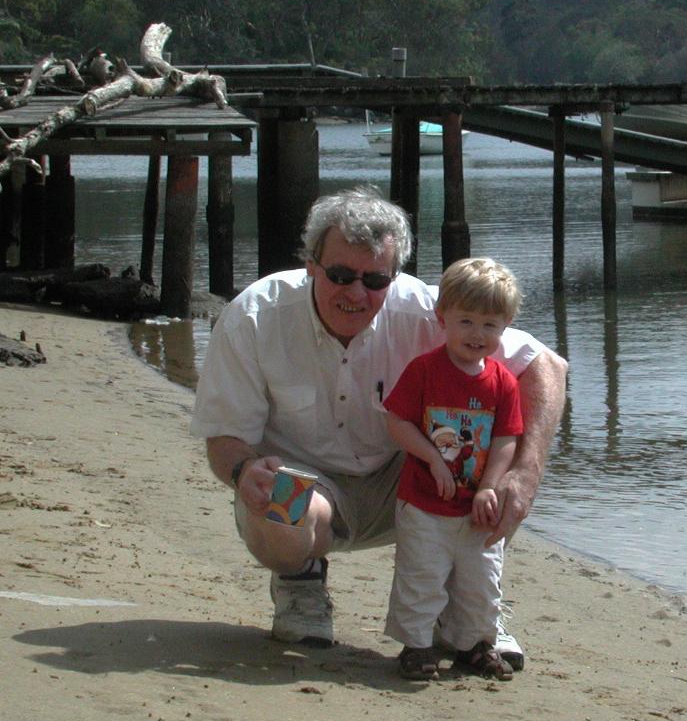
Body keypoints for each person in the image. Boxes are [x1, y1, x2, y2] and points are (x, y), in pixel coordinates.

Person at [190, 186, 567, 669]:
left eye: (374, 280)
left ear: (395, 275)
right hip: (310, 484)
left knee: (492, 474)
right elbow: (222, 437)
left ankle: (469, 613)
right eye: (340, 275)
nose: (355, 293)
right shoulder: (253, 317)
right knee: (277, 512)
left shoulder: (424, 311)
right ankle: (300, 582)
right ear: (311, 264)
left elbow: (547, 367)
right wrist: (244, 472)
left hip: (412, 478)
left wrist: (526, 472)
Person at [382, 257, 523, 681]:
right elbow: (396, 421)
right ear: (442, 318)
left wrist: (489, 488)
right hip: (425, 502)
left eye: (489, 325)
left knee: (481, 583)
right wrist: (430, 457)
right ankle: (417, 645)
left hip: (476, 510)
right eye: (466, 321)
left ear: (505, 327)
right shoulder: (425, 370)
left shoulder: (502, 382)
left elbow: (505, 439)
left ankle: (474, 644)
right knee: (422, 576)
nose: (477, 334)